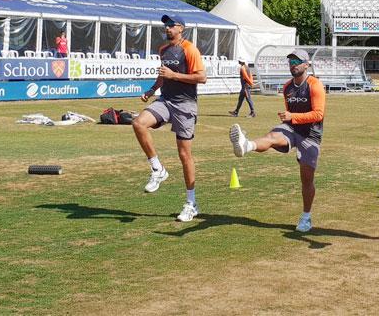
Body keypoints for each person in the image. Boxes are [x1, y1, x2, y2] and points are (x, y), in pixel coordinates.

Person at [229, 49, 325, 233]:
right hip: (292, 128)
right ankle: (246, 145)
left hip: (311, 136)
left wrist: (292, 116)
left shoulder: (315, 85)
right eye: (291, 61)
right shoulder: (287, 87)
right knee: (272, 137)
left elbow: (318, 114)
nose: (293, 64)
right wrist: (289, 118)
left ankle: (306, 216)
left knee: (306, 181)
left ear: (306, 65)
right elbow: (291, 114)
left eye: (297, 61)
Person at [131, 14, 207, 222]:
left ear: (181, 28)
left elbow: (202, 77)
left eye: (171, 25)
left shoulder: (190, 49)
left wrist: (175, 76)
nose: (167, 28)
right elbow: (163, 75)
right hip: (165, 100)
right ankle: (158, 168)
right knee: (138, 123)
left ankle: (191, 203)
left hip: (185, 105)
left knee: (184, 156)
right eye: (166, 25)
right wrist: (151, 90)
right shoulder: (163, 50)